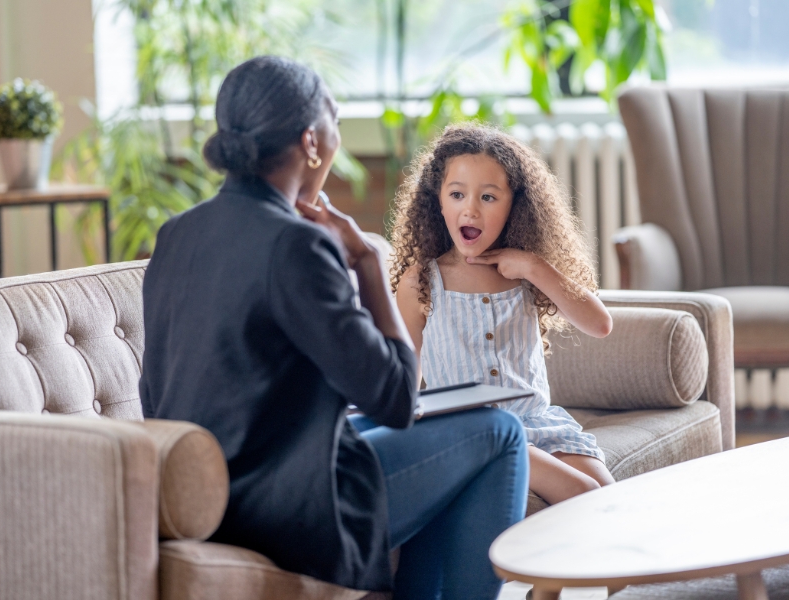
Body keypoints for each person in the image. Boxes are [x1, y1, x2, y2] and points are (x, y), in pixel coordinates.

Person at [139, 56, 528, 600]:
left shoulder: (176, 234)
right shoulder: (297, 245)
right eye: (336, 122)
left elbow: (154, 393)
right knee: (499, 432)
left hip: (203, 495)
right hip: (284, 509)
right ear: (311, 142)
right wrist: (367, 262)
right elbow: (396, 397)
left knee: (400, 429)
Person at [391, 123, 616, 506]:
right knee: (586, 496)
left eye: (489, 197)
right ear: (438, 202)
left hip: (539, 423)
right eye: (457, 194)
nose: (471, 209)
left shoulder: (525, 272)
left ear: (516, 204)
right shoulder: (420, 284)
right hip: (477, 432)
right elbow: (403, 382)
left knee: (613, 499)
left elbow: (599, 324)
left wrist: (533, 267)